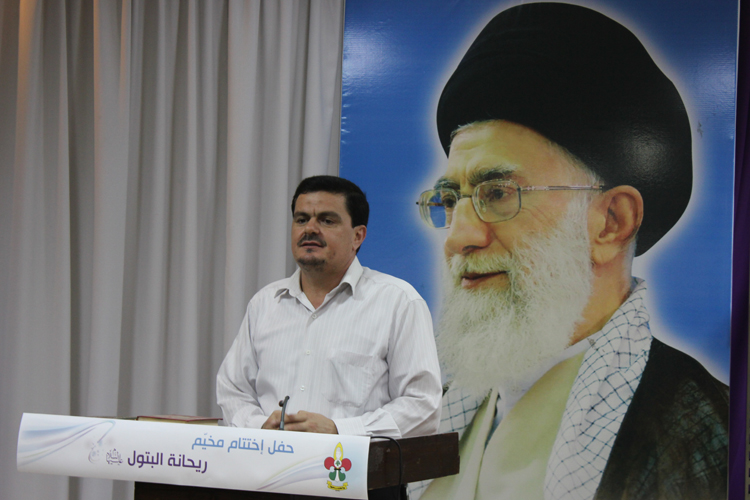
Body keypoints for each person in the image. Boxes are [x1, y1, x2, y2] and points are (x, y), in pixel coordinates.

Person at [412, 3, 728, 500]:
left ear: (610, 222)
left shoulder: (704, 433)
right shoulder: (450, 406)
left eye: (498, 193)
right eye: (451, 200)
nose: (457, 237)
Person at [217, 175, 442, 440]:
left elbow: (423, 405)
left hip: (353, 465)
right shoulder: (265, 303)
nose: (310, 229)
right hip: (268, 462)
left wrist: (339, 431)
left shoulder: (398, 302)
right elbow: (233, 391)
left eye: (327, 220)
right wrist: (261, 428)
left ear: (357, 236)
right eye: (301, 219)